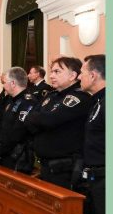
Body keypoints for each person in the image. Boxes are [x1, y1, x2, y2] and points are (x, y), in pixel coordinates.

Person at [25, 57, 92, 190]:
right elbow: (28, 119)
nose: (51, 75)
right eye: (51, 71)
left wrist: (41, 119)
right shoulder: (51, 95)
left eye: (57, 72)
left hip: (64, 169)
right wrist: (42, 120)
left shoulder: (80, 97)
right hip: (45, 165)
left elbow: (49, 120)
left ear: (73, 75)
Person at [77, 54, 106, 214]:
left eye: (83, 72)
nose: (80, 76)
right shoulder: (96, 100)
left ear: (94, 75)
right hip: (94, 178)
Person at [0, 67, 38, 174]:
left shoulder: (29, 101)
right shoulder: (10, 100)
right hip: (3, 154)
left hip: (18, 158)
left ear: (13, 83)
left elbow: (17, 133)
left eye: (5, 82)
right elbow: (2, 126)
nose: (3, 86)